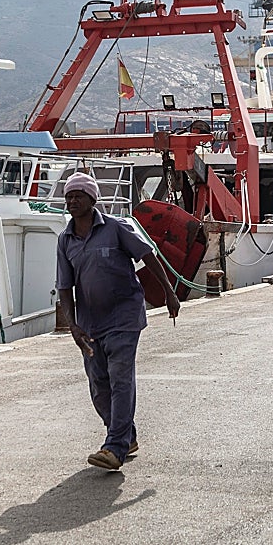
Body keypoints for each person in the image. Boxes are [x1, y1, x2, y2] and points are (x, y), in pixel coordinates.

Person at [56, 171, 180, 470]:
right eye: (68, 196)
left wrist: (169, 292)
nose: (72, 201)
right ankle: (127, 435)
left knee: (120, 379)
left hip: (124, 316)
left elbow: (148, 256)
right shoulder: (65, 239)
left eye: (78, 196)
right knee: (99, 385)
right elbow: (64, 286)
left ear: (92, 199)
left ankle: (114, 447)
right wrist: (72, 325)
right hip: (89, 323)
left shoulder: (116, 228)